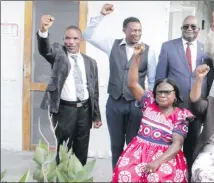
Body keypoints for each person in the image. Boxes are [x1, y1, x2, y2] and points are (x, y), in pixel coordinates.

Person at [82, 3, 158, 170]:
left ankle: (131, 177)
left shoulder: (149, 51)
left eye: (139, 30)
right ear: (124, 30)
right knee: (116, 146)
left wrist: (149, 105)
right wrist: (100, 15)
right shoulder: (112, 45)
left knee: (133, 146)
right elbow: (87, 35)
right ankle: (116, 176)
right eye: (133, 30)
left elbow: (152, 80)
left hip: (137, 105)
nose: (136, 33)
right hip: (115, 103)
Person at [111, 43, 193, 182]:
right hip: (138, 152)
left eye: (167, 92)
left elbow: (176, 145)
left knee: (156, 178)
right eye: (159, 92)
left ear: (175, 96)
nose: (162, 95)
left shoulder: (180, 115)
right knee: (125, 173)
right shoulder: (149, 102)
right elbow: (132, 84)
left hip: (166, 155)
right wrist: (136, 57)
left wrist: (157, 162)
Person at [36, 15, 102, 166]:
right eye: (67, 38)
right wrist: (43, 30)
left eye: (74, 38)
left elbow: (94, 91)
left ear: (81, 40)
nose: (70, 42)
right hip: (65, 111)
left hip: (85, 111)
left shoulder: (90, 62)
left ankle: (78, 178)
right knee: (64, 149)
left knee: (82, 149)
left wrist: (96, 116)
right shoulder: (59, 55)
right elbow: (45, 50)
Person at [154, 15, 212, 176]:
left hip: (196, 107)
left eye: (193, 26)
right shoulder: (168, 47)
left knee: (192, 145)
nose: (189, 29)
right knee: (169, 144)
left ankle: (187, 176)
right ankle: (168, 176)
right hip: (173, 107)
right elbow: (160, 77)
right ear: (181, 28)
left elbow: (210, 79)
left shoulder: (206, 50)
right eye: (185, 26)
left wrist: (205, 102)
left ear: (198, 30)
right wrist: (161, 103)